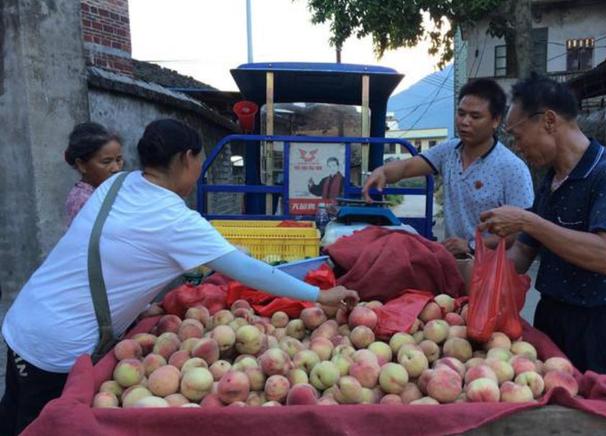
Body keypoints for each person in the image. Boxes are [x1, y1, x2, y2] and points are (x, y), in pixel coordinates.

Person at [0, 119, 359, 435]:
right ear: (187, 158)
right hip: (58, 344)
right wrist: (318, 295)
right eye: (201, 162)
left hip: (27, 316)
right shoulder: (174, 219)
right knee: (34, 426)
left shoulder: (117, 184)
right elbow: (248, 271)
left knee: (10, 417)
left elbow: (121, 251)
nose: (200, 170)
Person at [479, 74, 606, 402]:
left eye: (517, 135)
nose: (518, 148)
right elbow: (521, 256)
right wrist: (473, 262)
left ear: (549, 121)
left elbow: (605, 256)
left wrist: (528, 219)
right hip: (553, 321)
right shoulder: (552, 180)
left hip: (604, 329)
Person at [363, 79, 534, 257]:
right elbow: (407, 167)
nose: (465, 121)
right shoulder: (448, 151)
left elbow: (523, 231)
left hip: (492, 271)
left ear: (495, 120)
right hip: (454, 263)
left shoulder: (512, 168)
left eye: (475, 117)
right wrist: (382, 172)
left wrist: (472, 245)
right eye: (461, 113)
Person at [64, 122, 124, 226]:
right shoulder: (82, 200)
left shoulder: (110, 189)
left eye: (118, 160)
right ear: (82, 165)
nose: (116, 168)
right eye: (106, 162)